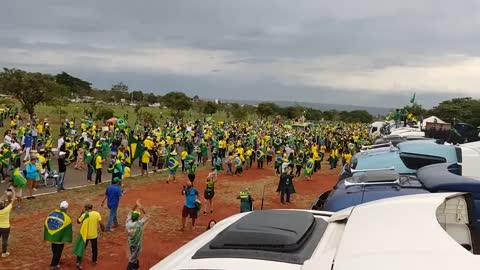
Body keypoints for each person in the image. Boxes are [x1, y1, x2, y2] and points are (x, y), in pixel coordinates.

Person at [73, 203, 105, 269]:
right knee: (94, 248)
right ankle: (94, 261)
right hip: (93, 235)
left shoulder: (84, 215)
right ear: (91, 207)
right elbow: (101, 223)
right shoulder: (96, 214)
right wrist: (102, 229)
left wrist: (81, 214)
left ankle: (78, 262)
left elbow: (78, 221)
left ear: (86, 208)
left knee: (81, 248)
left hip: (85, 235)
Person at [44, 201, 73, 270]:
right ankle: (54, 265)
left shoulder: (52, 213)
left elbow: (46, 222)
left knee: (54, 250)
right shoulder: (67, 217)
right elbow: (68, 229)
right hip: (59, 239)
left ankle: (55, 261)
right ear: (66, 208)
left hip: (52, 237)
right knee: (58, 252)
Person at [126, 199, 148, 270]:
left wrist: (135, 205)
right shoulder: (139, 224)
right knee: (132, 259)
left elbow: (130, 212)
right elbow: (147, 216)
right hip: (137, 245)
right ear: (138, 218)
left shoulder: (128, 222)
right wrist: (141, 208)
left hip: (131, 243)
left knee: (134, 256)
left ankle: (136, 267)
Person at [0, 186, 15, 257]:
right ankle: (4, 253)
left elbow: (1, 199)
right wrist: (13, 191)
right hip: (5, 227)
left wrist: (5, 193)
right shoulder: (6, 210)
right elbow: (13, 200)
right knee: (4, 240)